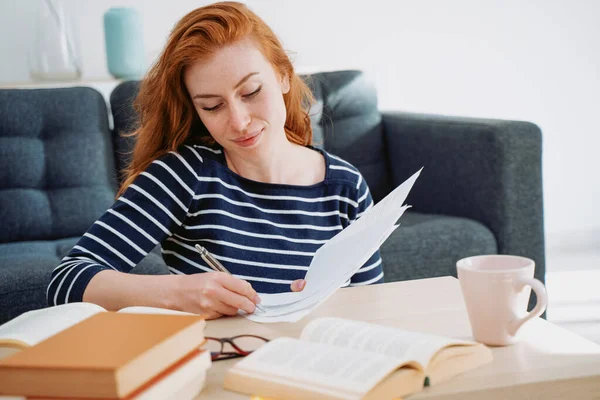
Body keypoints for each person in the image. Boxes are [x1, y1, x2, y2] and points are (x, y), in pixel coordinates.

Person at [47, 1, 383, 320]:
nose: (238, 122)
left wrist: (327, 305)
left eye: (250, 92)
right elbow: (66, 282)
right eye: (212, 106)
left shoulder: (346, 186)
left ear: (283, 75)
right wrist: (175, 293)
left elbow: (373, 307)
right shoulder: (184, 175)